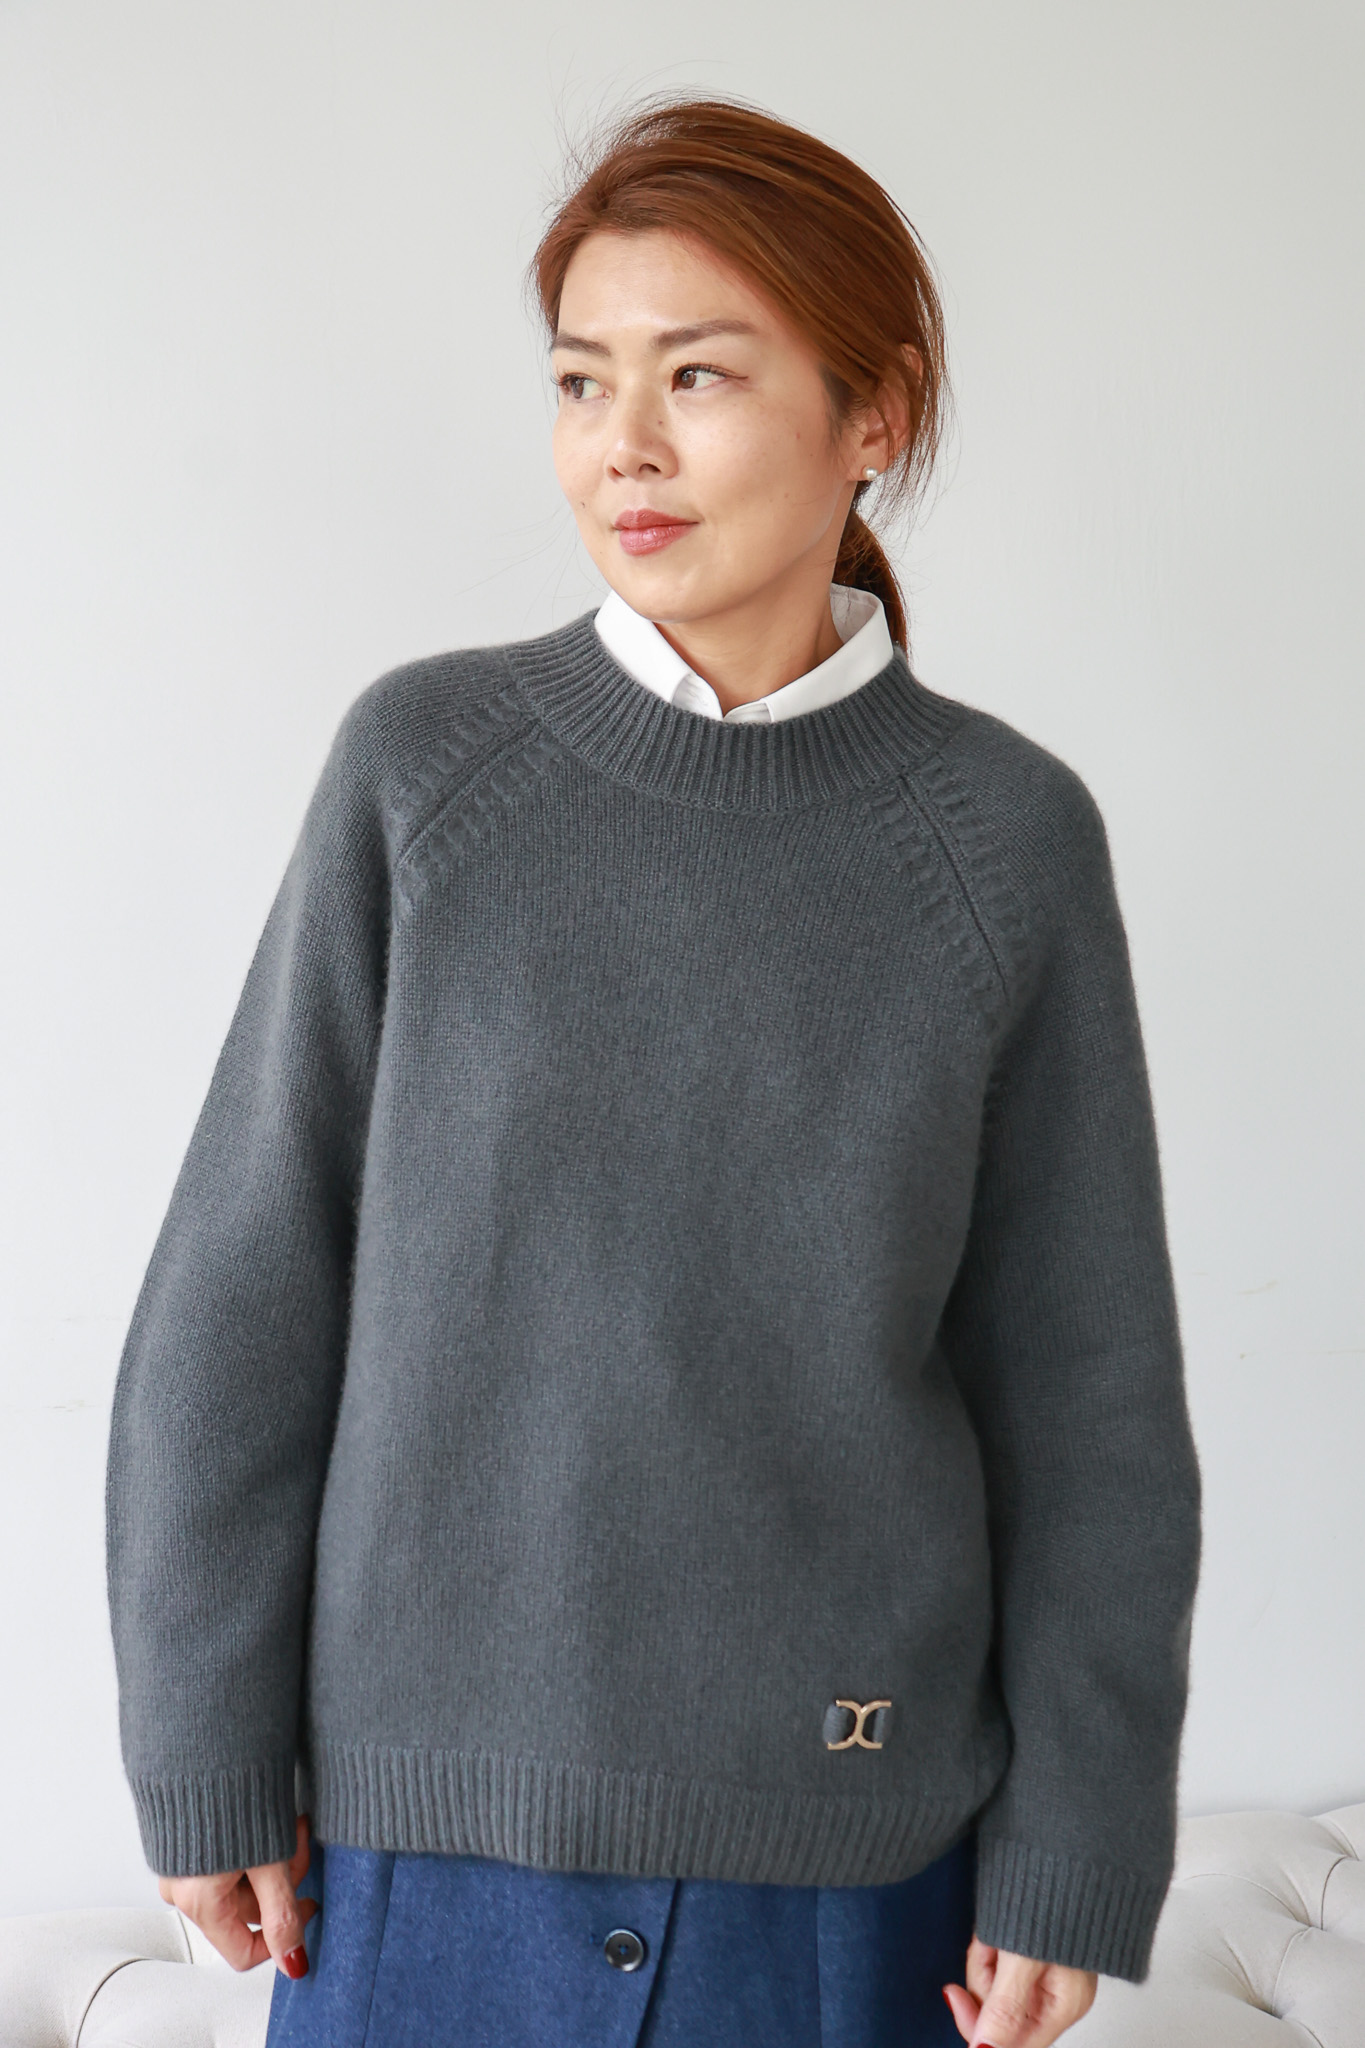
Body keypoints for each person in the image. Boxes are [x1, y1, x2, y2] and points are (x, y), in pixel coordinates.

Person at [105, 96, 1202, 2048]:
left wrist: (1074, 1844)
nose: (621, 440)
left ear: (875, 412)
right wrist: (202, 1745)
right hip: (410, 1863)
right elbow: (242, 1293)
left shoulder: (1000, 842)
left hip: (850, 1872)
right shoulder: (426, 772)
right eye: (578, 380)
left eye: (696, 373)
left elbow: (1088, 1401)